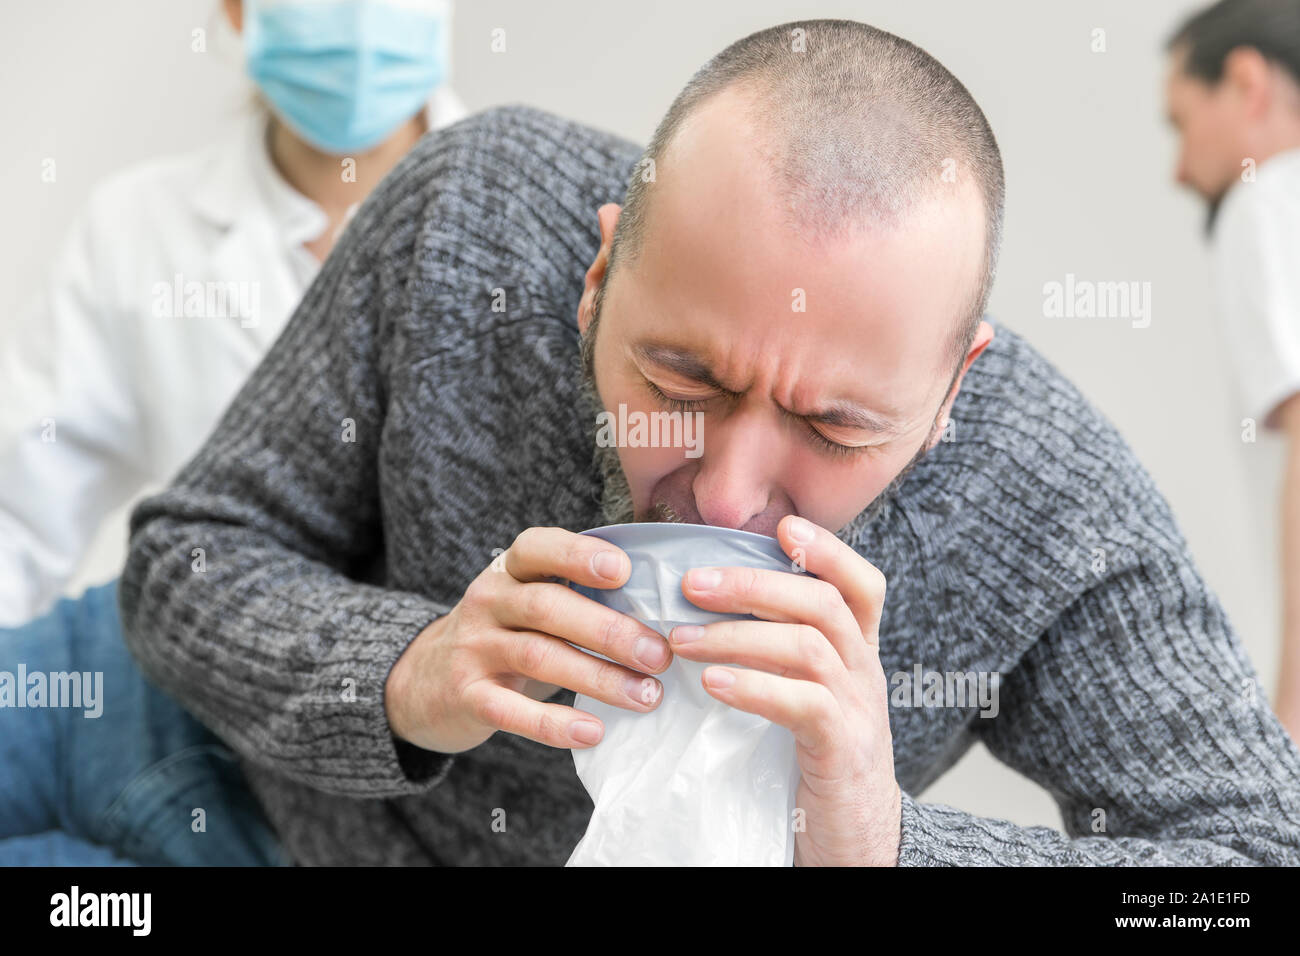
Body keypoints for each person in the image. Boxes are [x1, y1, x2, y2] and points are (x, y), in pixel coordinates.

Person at [81, 18, 1300, 865]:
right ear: (599, 271)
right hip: (215, 794)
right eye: (680, 374)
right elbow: (187, 556)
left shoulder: (1048, 497)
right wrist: (405, 673)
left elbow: (1245, 859)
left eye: (833, 425)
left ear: (951, 396)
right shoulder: (474, 217)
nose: (721, 493)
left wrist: (877, 844)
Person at [0, 0, 465, 864]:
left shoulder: (549, 231)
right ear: (236, 10)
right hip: (137, 689)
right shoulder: (136, 226)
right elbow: (17, 507)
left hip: (334, 819)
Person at [1164, 0, 1300, 743]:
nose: (1179, 169)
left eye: (1180, 122)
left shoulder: (1269, 200)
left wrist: (1294, 725)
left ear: (1247, 83)